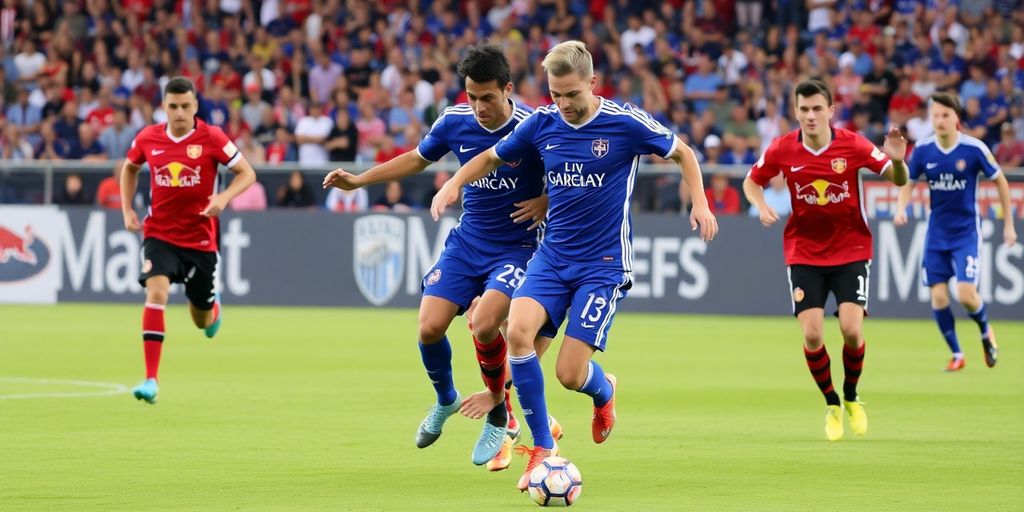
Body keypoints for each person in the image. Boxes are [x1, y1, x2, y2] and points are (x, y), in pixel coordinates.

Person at [430, 40, 717, 490]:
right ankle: (542, 446)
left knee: (568, 374)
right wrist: (452, 186)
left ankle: (604, 391)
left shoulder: (624, 122)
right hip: (551, 257)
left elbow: (684, 153)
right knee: (516, 333)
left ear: (592, 84)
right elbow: (490, 156)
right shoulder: (544, 122)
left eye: (571, 94)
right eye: (555, 94)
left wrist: (700, 203)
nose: (563, 104)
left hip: (601, 265)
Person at [323, 43, 553, 471]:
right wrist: (359, 182)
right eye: (472, 96)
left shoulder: (535, 126)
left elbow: (570, 177)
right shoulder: (454, 121)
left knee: (486, 324)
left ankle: (499, 413)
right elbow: (416, 159)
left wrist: (545, 201)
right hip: (468, 242)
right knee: (429, 327)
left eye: (487, 97)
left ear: (507, 90)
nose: (479, 107)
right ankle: (446, 399)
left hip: (518, 247)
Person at [742, 79, 909, 442]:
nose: (810, 115)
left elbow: (898, 180)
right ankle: (831, 403)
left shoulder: (853, 144)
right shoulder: (783, 148)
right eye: (804, 109)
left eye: (818, 108)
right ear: (796, 111)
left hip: (851, 249)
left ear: (831, 111)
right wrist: (761, 205)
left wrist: (898, 162)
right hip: (804, 251)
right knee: (813, 333)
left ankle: (851, 396)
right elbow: (751, 181)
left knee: (851, 330)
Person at [120, 77, 257, 404]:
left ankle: (213, 307)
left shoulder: (212, 137)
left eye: (185, 106)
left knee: (202, 322)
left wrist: (223, 197)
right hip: (160, 235)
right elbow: (129, 168)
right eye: (173, 106)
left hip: (199, 242)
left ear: (195, 106)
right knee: (156, 291)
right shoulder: (148, 138)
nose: (179, 113)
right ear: (164, 108)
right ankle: (151, 379)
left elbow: (247, 173)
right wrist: (126, 210)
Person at [893, 93, 1017, 371]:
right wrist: (901, 208)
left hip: (966, 234)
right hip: (936, 233)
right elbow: (908, 182)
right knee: (938, 296)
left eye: (945, 115)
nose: (939, 120)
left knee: (965, 294)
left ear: (956, 119)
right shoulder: (923, 150)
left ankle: (986, 331)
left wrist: (1008, 224)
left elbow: (1001, 183)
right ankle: (957, 354)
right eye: (935, 115)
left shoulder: (974, 149)